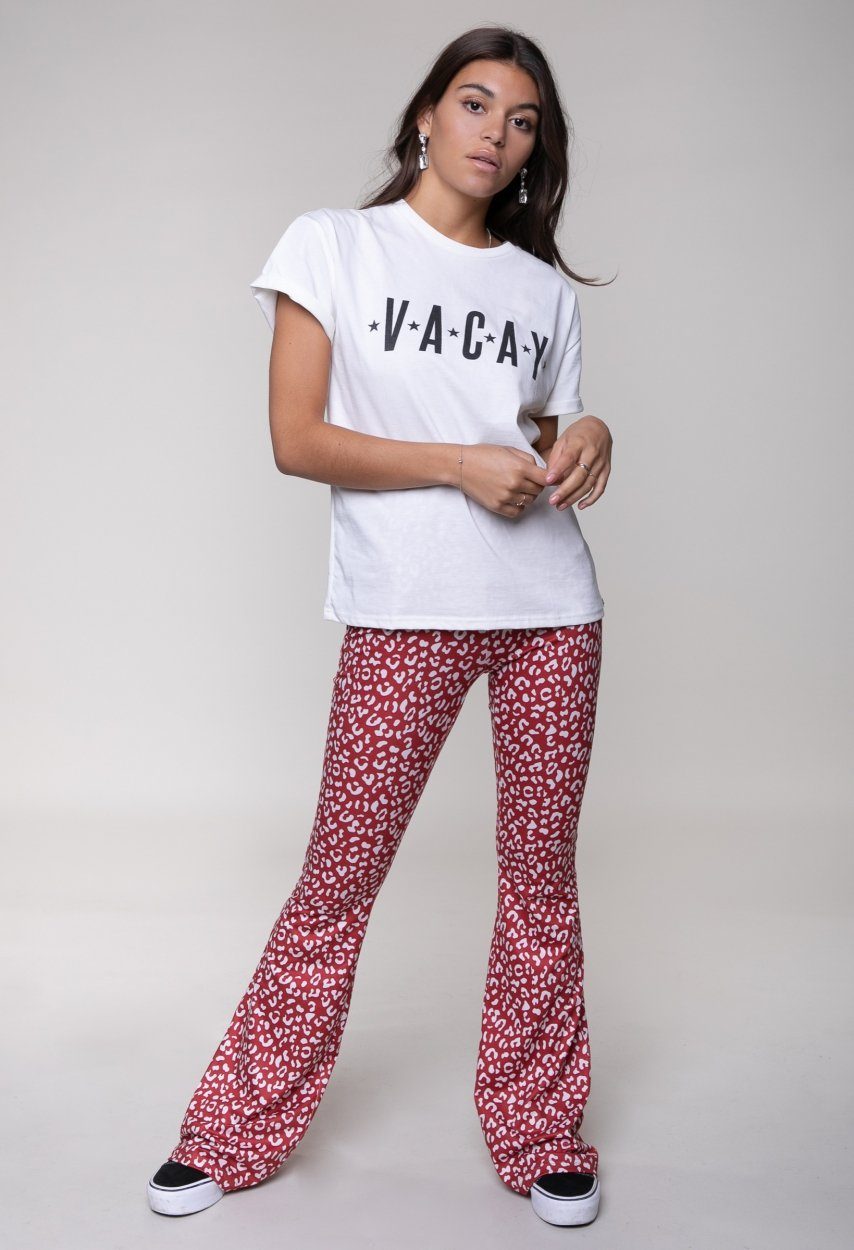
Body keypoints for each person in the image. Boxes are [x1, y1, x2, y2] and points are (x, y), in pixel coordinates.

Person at [147, 24, 614, 1229]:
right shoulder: (333, 246)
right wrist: (455, 463)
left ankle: (540, 1130)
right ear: (424, 114)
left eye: (521, 121)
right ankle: (232, 1130)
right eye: (475, 103)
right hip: (408, 609)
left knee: (539, 882)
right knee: (337, 879)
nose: (495, 134)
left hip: (551, 609)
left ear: (534, 152)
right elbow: (295, 437)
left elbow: (542, 432)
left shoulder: (541, 291)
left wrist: (588, 431)